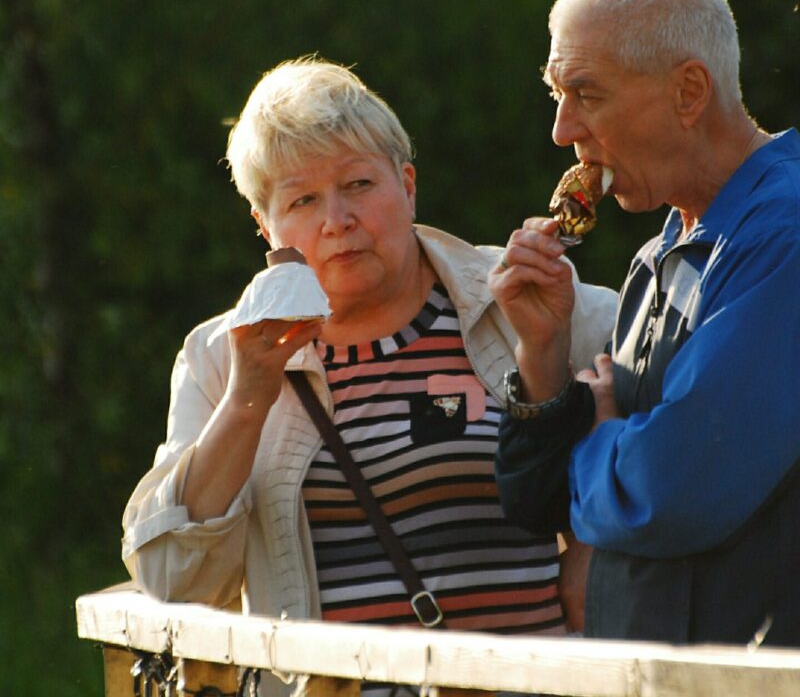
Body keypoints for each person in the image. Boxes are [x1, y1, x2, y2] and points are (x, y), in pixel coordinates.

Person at [122, 57, 617, 690]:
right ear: (265, 227)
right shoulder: (221, 357)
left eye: (358, 184)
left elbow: (661, 435)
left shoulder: (518, 299)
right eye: (303, 199)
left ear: (407, 185)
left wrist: (589, 549)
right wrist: (248, 399)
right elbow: (172, 581)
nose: (338, 220)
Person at [492, 0, 800, 647]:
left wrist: (599, 434)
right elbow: (543, 509)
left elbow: (669, 491)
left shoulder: (786, 232)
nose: (562, 131)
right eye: (556, 96)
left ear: (690, 91)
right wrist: (542, 353)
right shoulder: (659, 253)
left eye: (587, 93)